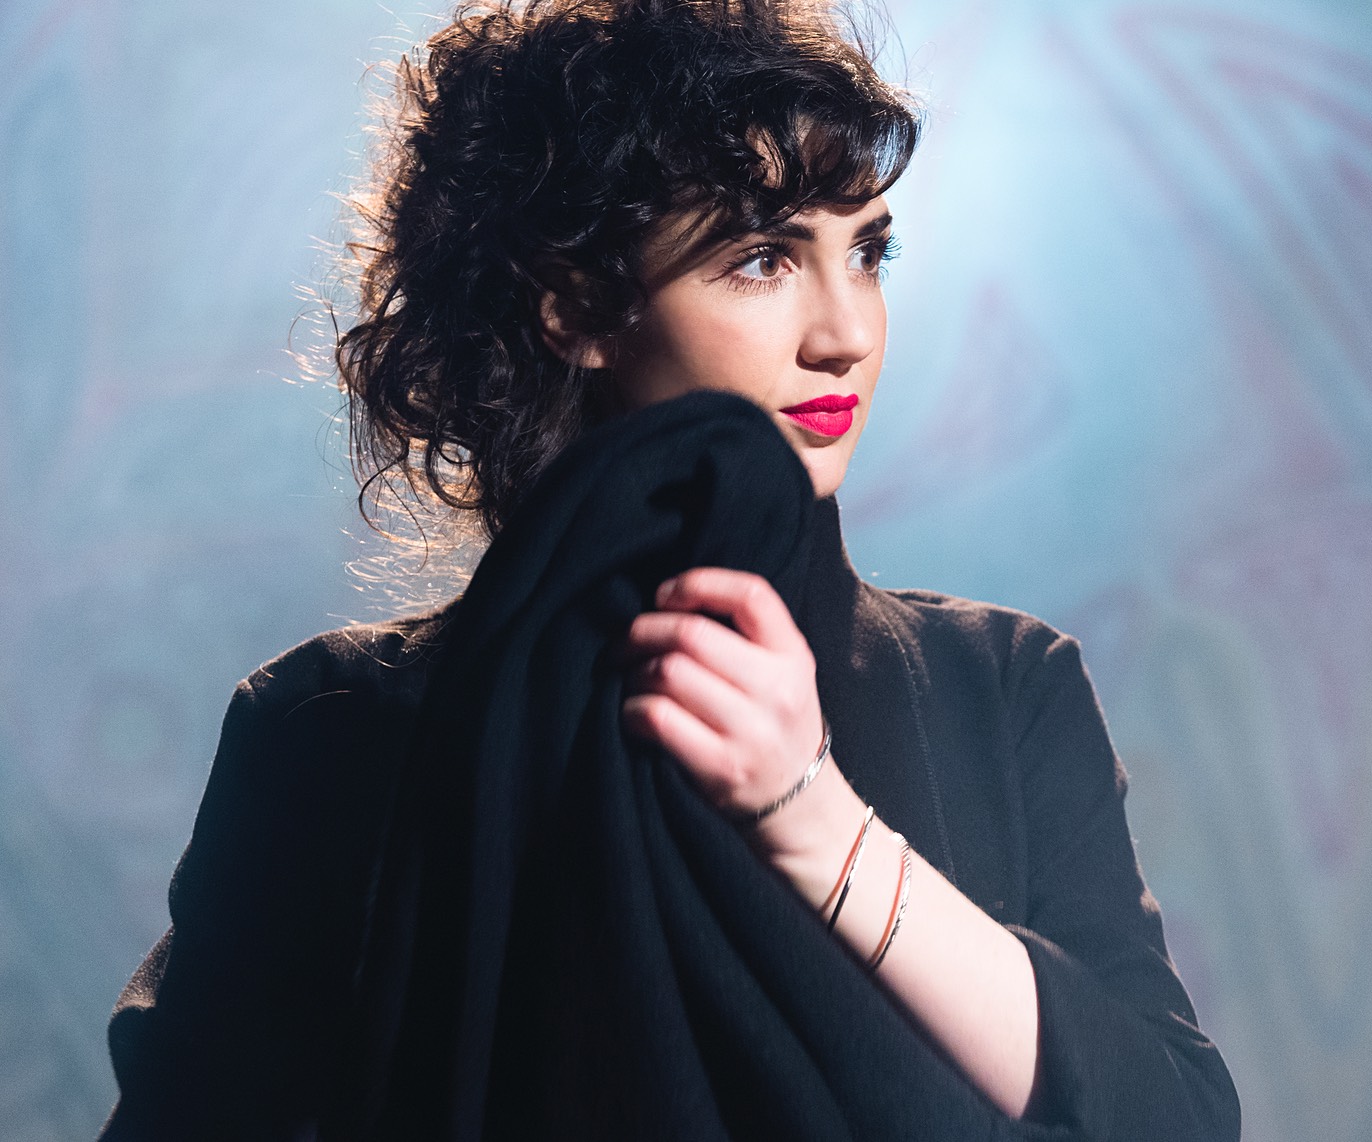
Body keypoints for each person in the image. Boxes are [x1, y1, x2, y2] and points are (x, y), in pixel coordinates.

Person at [99, 1, 1240, 1138]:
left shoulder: (999, 686)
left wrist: (814, 821)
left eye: (868, 253)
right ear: (577, 305)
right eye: (761, 259)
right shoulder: (333, 723)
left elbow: (1173, 1118)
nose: (845, 332)